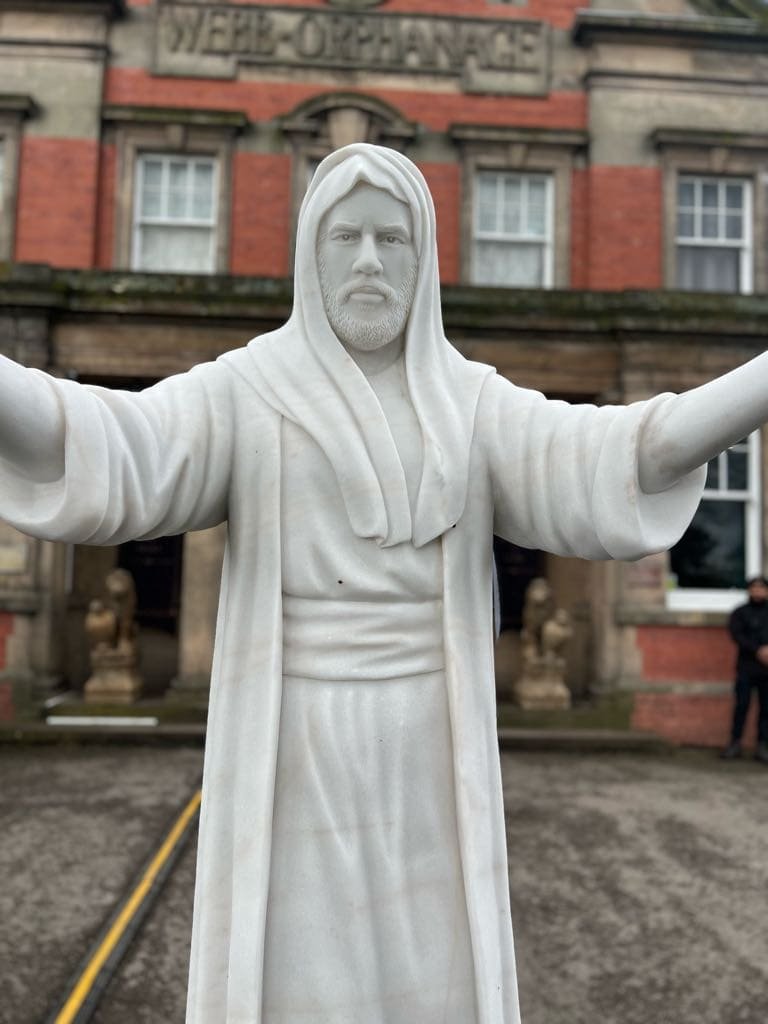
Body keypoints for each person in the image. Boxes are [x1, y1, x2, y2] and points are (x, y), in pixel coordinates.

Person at [1, 144, 768, 1023]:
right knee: (299, 975)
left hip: (429, 745)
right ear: (309, 254)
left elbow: (626, 455)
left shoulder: (472, 403)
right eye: (345, 238)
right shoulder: (250, 391)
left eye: (392, 240)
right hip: (295, 739)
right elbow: (106, 444)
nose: (368, 262)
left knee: (429, 973)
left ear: (424, 259)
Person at [721, 576, 768, 763]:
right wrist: (758, 650)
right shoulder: (740, 613)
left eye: (761, 588)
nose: (757, 591)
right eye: (754, 588)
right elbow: (737, 635)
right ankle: (735, 743)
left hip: (766, 670)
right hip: (746, 668)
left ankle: (763, 746)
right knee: (741, 706)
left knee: (766, 710)